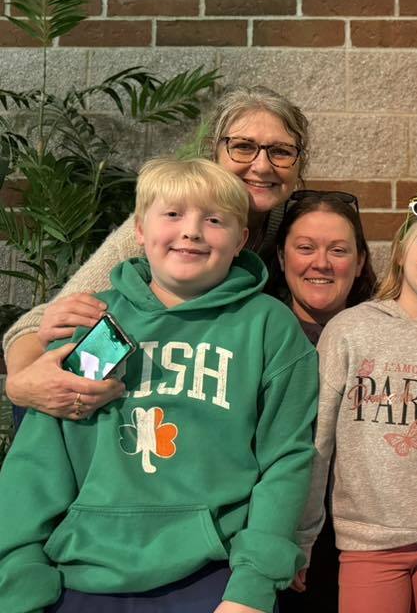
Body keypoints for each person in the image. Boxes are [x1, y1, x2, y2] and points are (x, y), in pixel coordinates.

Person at [0, 158, 319, 612]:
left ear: (241, 239)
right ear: (140, 231)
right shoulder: (94, 321)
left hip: (213, 569)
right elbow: (38, 460)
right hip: (79, 569)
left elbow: (286, 462)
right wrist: (19, 582)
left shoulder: (269, 327)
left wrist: (253, 588)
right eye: (173, 215)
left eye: (213, 220)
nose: (191, 231)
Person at [3, 85, 310, 421]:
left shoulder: (303, 228)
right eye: (243, 147)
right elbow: (36, 327)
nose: (262, 165)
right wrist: (20, 385)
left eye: (281, 152)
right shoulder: (162, 232)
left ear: (299, 165)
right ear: (215, 155)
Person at [297, 200, 417, 613]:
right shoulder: (348, 330)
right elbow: (318, 442)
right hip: (368, 543)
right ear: (402, 251)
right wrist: (302, 536)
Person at [268, 190, 378, 612]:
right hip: (276, 538)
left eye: (338, 250)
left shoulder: (385, 339)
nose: (321, 263)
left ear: (361, 262)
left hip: (367, 548)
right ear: (281, 257)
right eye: (305, 248)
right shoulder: (259, 332)